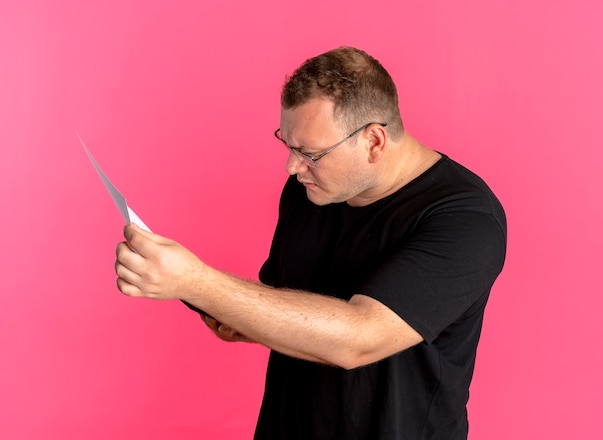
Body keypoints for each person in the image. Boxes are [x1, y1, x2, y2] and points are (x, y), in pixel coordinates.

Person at [115, 46, 507, 439]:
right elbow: (286, 301)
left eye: (310, 154)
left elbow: (359, 339)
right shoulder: (310, 190)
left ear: (374, 141)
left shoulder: (466, 219)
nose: (292, 167)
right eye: (287, 145)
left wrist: (198, 282)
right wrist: (235, 314)